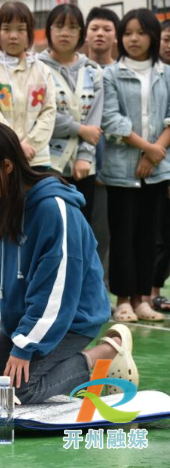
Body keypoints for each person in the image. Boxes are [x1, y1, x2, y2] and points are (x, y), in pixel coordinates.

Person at [0, 121, 138, 404]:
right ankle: (47, 354)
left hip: (70, 319)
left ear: (7, 166)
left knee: (18, 391)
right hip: (24, 320)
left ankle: (104, 356)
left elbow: (57, 292)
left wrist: (26, 345)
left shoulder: (53, 209)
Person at [101, 9, 170, 323]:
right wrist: (148, 149)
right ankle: (124, 300)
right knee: (123, 235)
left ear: (152, 36)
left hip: (157, 167)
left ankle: (144, 299)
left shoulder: (166, 73)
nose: (133, 39)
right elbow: (112, 120)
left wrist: (157, 152)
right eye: (128, 32)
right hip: (121, 169)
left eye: (140, 32)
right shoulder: (111, 74)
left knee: (148, 235)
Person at [0, 1, 56, 171]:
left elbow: (49, 112)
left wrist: (30, 145)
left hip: (35, 158)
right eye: (6, 29)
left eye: (21, 29)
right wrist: (16, 146)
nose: (13, 35)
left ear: (29, 33)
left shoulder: (42, 70)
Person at [38, 3, 104, 222]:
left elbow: (95, 118)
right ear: (48, 30)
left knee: (82, 228)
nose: (65, 32)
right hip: (47, 162)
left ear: (81, 34)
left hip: (85, 167)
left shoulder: (93, 70)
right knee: (50, 226)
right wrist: (80, 129)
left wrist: (85, 157)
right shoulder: (36, 67)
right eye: (58, 26)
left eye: (72, 27)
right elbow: (42, 114)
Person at [85, 6, 119, 296]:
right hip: (79, 168)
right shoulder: (79, 71)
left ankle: (101, 292)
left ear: (115, 36)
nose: (100, 33)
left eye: (107, 29)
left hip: (114, 170)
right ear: (86, 34)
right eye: (95, 28)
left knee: (104, 236)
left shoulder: (121, 73)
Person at [151, 20, 170, 313]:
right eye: (167, 38)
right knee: (161, 235)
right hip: (159, 167)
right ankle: (152, 291)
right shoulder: (157, 76)